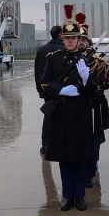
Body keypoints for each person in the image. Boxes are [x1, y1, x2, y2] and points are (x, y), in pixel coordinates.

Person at [39, 8, 107, 210]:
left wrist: (86, 78)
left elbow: (97, 88)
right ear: (63, 38)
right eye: (67, 38)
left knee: (81, 155)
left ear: (79, 39)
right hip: (61, 114)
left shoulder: (89, 61)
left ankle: (80, 196)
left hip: (82, 114)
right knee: (65, 157)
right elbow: (44, 84)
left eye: (73, 38)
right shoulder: (53, 58)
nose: (70, 41)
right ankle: (67, 196)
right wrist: (61, 90)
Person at [76, 16, 109, 189]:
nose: (81, 42)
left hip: (94, 105)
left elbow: (106, 83)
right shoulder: (69, 60)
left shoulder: (98, 63)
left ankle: (91, 171)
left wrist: (91, 83)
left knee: (94, 140)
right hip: (76, 106)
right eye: (79, 39)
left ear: (89, 42)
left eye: (84, 40)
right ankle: (81, 171)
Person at [34, 25, 64, 155]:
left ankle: (45, 145)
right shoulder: (63, 50)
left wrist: (40, 88)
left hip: (46, 90)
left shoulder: (41, 50)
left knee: (48, 117)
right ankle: (61, 144)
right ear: (60, 35)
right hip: (61, 90)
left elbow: (37, 71)